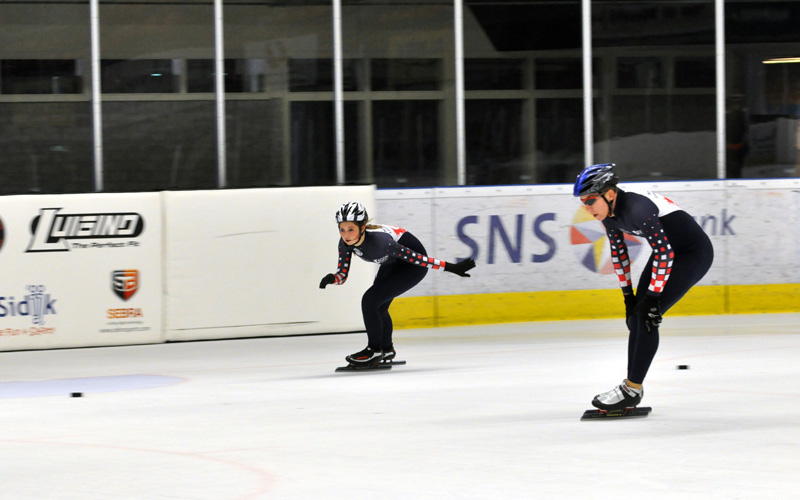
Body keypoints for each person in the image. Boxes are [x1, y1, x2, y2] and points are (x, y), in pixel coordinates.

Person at [573, 163, 714, 411]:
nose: (587, 208)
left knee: (647, 315)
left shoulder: (638, 208)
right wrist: (628, 296)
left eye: (591, 200)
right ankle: (631, 388)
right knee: (637, 312)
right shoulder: (609, 216)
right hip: (668, 254)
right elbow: (619, 253)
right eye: (583, 202)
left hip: (692, 254)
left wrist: (651, 299)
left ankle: (632, 388)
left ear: (610, 193)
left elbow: (664, 251)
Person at [320, 202, 476, 367]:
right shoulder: (344, 244)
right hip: (391, 264)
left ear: (362, 227)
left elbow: (419, 259)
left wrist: (451, 267)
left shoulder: (381, 242)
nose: (346, 234)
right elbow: (342, 275)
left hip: (413, 267)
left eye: (351, 229)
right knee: (378, 306)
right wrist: (332, 278)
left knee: (370, 300)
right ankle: (386, 349)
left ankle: (373, 350)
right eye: (342, 229)